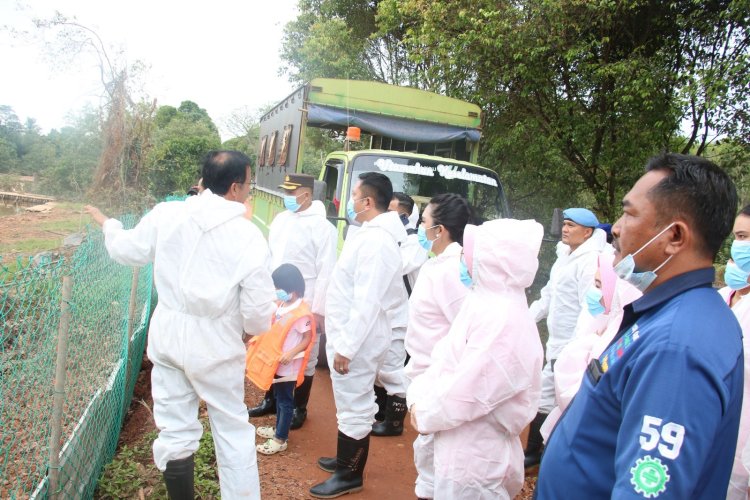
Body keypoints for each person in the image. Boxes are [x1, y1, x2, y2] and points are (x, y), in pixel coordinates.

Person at [536, 153, 743, 498]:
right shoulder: (670, 314)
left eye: (629, 213)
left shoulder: (678, 348)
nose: (615, 227)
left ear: (675, 236)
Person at [85, 150, 276, 499]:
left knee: (174, 428)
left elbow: (128, 250)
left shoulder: (167, 214)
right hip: (216, 343)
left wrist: (109, 225)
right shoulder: (247, 237)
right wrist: (248, 328)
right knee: (232, 430)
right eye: (249, 184)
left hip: (168, 336)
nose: (249, 190)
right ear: (235, 188)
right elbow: (258, 312)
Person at [408, 218, 545, 498]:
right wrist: (420, 396)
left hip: (475, 453)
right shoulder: (483, 301)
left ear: (494, 259)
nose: (464, 260)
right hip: (456, 439)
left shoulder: (504, 318)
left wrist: (425, 412)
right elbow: (445, 357)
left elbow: (470, 390)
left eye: (469, 253)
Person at [310, 172, 404, 498]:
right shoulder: (369, 234)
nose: (349, 203)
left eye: (353, 197)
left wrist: (347, 346)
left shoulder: (378, 242)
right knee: (349, 402)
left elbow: (367, 300)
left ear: (367, 202)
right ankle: (344, 459)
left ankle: (350, 474)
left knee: (355, 404)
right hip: (352, 333)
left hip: (359, 339)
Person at [247, 173, 336, 431]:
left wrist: (318, 311)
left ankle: (299, 407)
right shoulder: (281, 220)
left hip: (305, 302)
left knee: (303, 357)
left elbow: (326, 271)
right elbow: (269, 257)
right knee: (274, 348)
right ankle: (271, 401)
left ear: (306, 195)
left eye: (291, 193)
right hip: (278, 299)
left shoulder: (323, 228)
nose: (287, 197)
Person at [526, 207, 608, 467]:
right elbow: (549, 295)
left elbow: (589, 308)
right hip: (556, 339)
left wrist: (574, 348)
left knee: (559, 399)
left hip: (572, 344)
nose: (565, 229)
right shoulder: (565, 255)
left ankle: (543, 455)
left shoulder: (590, 261)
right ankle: (537, 452)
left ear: (588, 232)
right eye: (565, 224)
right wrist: (525, 320)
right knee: (546, 396)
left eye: (572, 225)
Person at [403, 193, 472, 499]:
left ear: (440, 230)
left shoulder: (451, 270)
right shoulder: (439, 264)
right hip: (424, 371)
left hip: (437, 375)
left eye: (424, 222)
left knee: (434, 455)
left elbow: (465, 326)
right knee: (428, 453)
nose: (420, 227)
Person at [539, 254, 641, 442]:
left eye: (598, 285)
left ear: (617, 289)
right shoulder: (603, 321)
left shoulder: (616, 337)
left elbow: (579, 395)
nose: (593, 293)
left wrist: (575, 355)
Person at [370, 192, 428, 437]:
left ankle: (393, 423)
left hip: (402, 315)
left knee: (394, 368)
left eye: (392, 212)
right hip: (386, 313)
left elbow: (395, 268)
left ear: (403, 215)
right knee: (379, 366)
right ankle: (381, 413)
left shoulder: (414, 243)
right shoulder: (394, 239)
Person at [248, 264, 315, 456]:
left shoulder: (301, 314)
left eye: (279, 288)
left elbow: (307, 338)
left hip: (288, 367)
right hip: (276, 364)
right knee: (278, 397)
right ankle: (279, 427)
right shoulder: (282, 306)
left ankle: (280, 438)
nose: (276, 291)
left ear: (292, 290)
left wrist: (292, 353)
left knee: (286, 401)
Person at [723, 205, 750, 500]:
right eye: (736, 238)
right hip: (721, 432)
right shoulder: (724, 299)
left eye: (743, 237)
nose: (737, 246)